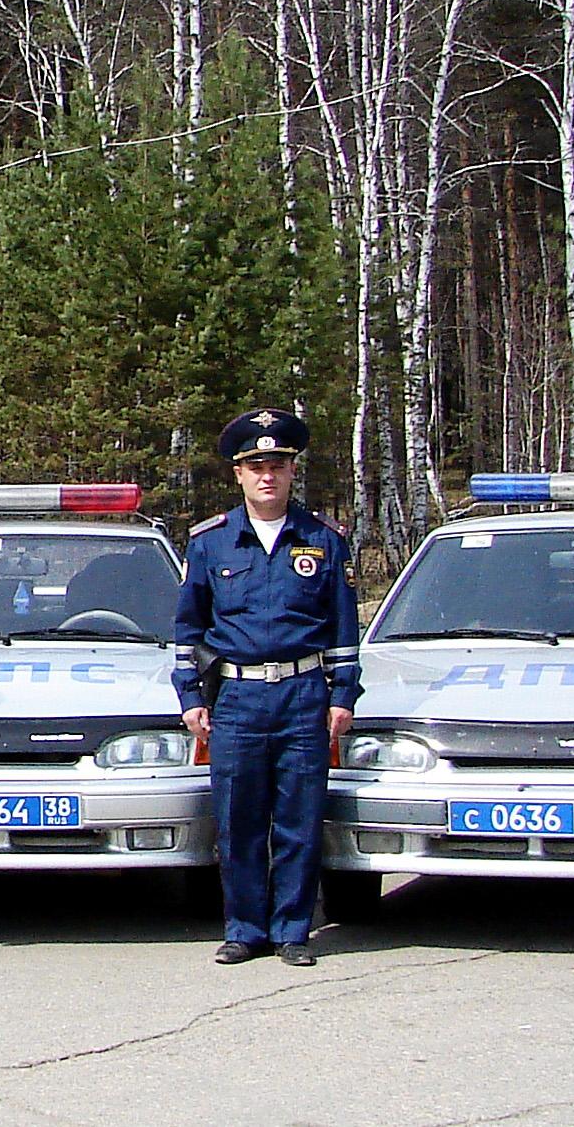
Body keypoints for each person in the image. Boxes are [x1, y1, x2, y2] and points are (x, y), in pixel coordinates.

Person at [172, 407, 360, 967]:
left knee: (300, 821)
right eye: (256, 465)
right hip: (236, 700)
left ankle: (294, 931)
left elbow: (344, 629)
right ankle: (244, 929)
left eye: (277, 464)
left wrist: (344, 695)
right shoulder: (210, 544)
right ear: (238, 473)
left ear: (292, 470)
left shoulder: (324, 540)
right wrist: (190, 698)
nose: (267, 475)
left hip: (304, 697)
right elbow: (188, 627)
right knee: (238, 821)